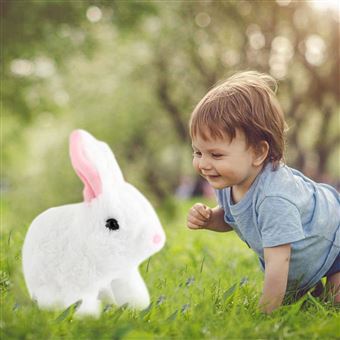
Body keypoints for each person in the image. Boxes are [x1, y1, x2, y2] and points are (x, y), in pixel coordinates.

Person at [186, 71, 340, 313]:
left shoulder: (274, 198)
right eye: (198, 152)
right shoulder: (229, 181)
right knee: (302, 302)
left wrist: (265, 313)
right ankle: (311, 286)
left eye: (216, 154)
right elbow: (234, 217)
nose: (204, 164)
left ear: (258, 153)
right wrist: (210, 219)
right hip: (307, 247)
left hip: (334, 236)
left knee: (334, 303)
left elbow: (278, 261)